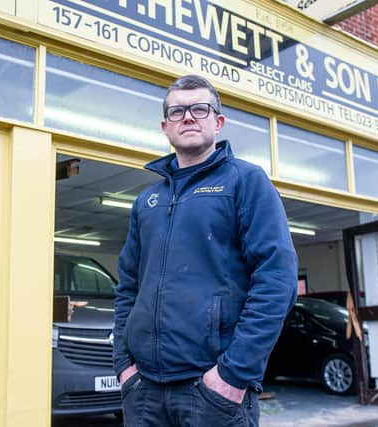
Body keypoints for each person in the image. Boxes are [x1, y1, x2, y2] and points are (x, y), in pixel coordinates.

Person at [113, 74, 298, 426]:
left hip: (211, 391)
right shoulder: (147, 201)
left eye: (200, 108)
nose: (188, 117)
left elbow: (277, 280)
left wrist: (233, 375)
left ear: (219, 121)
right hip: (145, 392)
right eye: (178, 111)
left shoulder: (245, 182)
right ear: (165, 126)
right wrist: (124, 366)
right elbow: (128, 287)